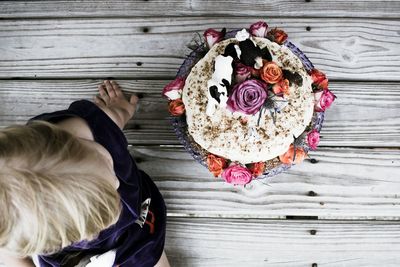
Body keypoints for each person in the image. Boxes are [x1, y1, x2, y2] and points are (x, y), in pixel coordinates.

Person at [0, 80, 171, 267]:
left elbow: (110, 120)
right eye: (110, 194)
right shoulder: (17, 230)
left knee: (149, 250)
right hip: (77, 258)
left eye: (103, 158)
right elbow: (11, 257)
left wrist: (119, 111)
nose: (117, 184)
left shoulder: (88, 127)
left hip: (140, 221)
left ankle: (154, 254)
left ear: (73, 139)